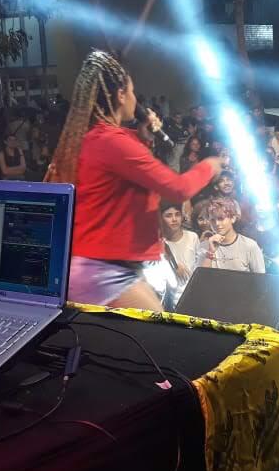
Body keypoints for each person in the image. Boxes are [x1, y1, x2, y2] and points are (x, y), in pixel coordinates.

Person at [49, 51, 221, 310]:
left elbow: (130, 179)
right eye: (131, 91)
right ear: (120, 95)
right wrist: (210, 166)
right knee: (159, 331)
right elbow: (178, 189)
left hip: (93, 265)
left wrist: (145, 137)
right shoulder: (113, 143)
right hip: (102, 271)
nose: (135, 99)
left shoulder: (94, 139)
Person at [197, 197, 266, 274]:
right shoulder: (204, 247)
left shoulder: (249, 245)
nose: (217, 223)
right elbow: (200, 278)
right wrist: (210, 252)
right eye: (213, 220)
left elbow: (260, 278)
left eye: (221, 218)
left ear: (233, 218)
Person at [161, 202, 199, 292]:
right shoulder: (159, 243)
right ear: (160, 219)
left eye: (177, 214)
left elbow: (199, 264)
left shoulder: (192, 237)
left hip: (192, 290)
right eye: (169, 216)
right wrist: (173, 267)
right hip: (170, 293)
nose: (174, 219)